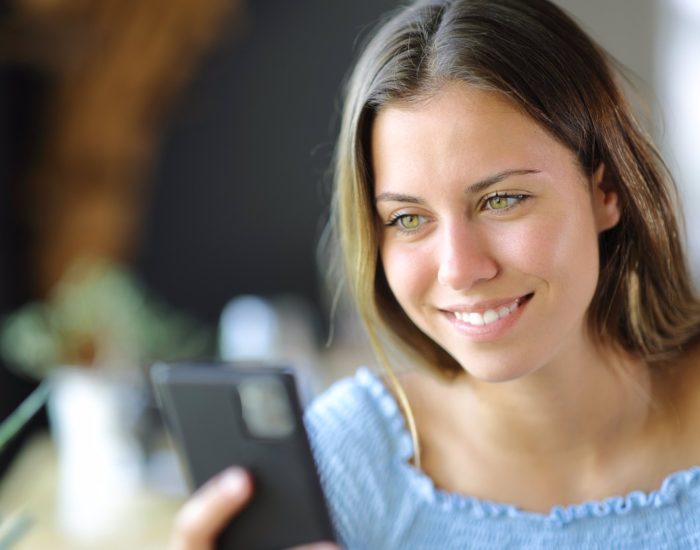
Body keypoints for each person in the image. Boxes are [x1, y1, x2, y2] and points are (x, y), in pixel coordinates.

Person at [170, 0, 700, 547]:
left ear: (604, 190)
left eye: (502, 199)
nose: (460, 269)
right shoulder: (347, 466)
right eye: (408, 219)